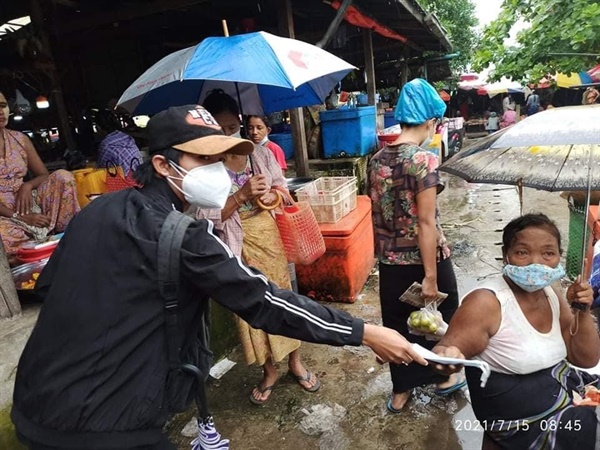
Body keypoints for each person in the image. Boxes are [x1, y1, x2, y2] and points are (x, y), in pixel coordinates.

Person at [11, 105, 427, 450]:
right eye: (203, 159)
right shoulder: (182, 235)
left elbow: (51, 287)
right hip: (105, 426)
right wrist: (366, 332)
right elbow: (266, 303)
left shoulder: (96, 211)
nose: (217, 170)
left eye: (219, 159)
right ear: (161, 163)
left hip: (33, 404)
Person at [433, 213, 600, 449]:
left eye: (548, 253)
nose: (536, 262)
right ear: (506, 256)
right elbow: (448, 349)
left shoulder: (551, 294)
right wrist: (446, 358)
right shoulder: (487, 303)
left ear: (558, 258)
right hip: (522, 422)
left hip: (561, 392)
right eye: (522, 252)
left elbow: (586, 358)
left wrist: (581, 310)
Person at [200, 90, 316, 405]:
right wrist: (240, 196)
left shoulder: (259, 154)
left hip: (267, 235)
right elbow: (204, 218)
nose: (228, 134)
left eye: (231, 127)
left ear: (239, 121)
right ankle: (269, 370)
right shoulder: (205, 168)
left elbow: (282, 189)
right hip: (233, 245)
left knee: (282, 299)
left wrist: (271, 196)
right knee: (249, 307)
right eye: (220, 130)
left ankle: (294, 361)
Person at [368, 78, 461, 414]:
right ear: (429, 120)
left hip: (390, 263)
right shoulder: (424, 160)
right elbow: (425, 222)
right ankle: (443, 377)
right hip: (424, 259)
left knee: (397, 324)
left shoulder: (376, 160)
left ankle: (401, 392)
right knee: (445, 318)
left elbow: (377, 213)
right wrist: (431, 277)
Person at [0, 91, 80, 256]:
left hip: (28, 204)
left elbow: (44, 175)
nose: (1, 112)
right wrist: (19, 217)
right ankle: (32, 247)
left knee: (63, 176)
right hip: (4, 217)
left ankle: (67, 237)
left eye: (3, 106)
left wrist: (27, 186)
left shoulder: (19, 139)